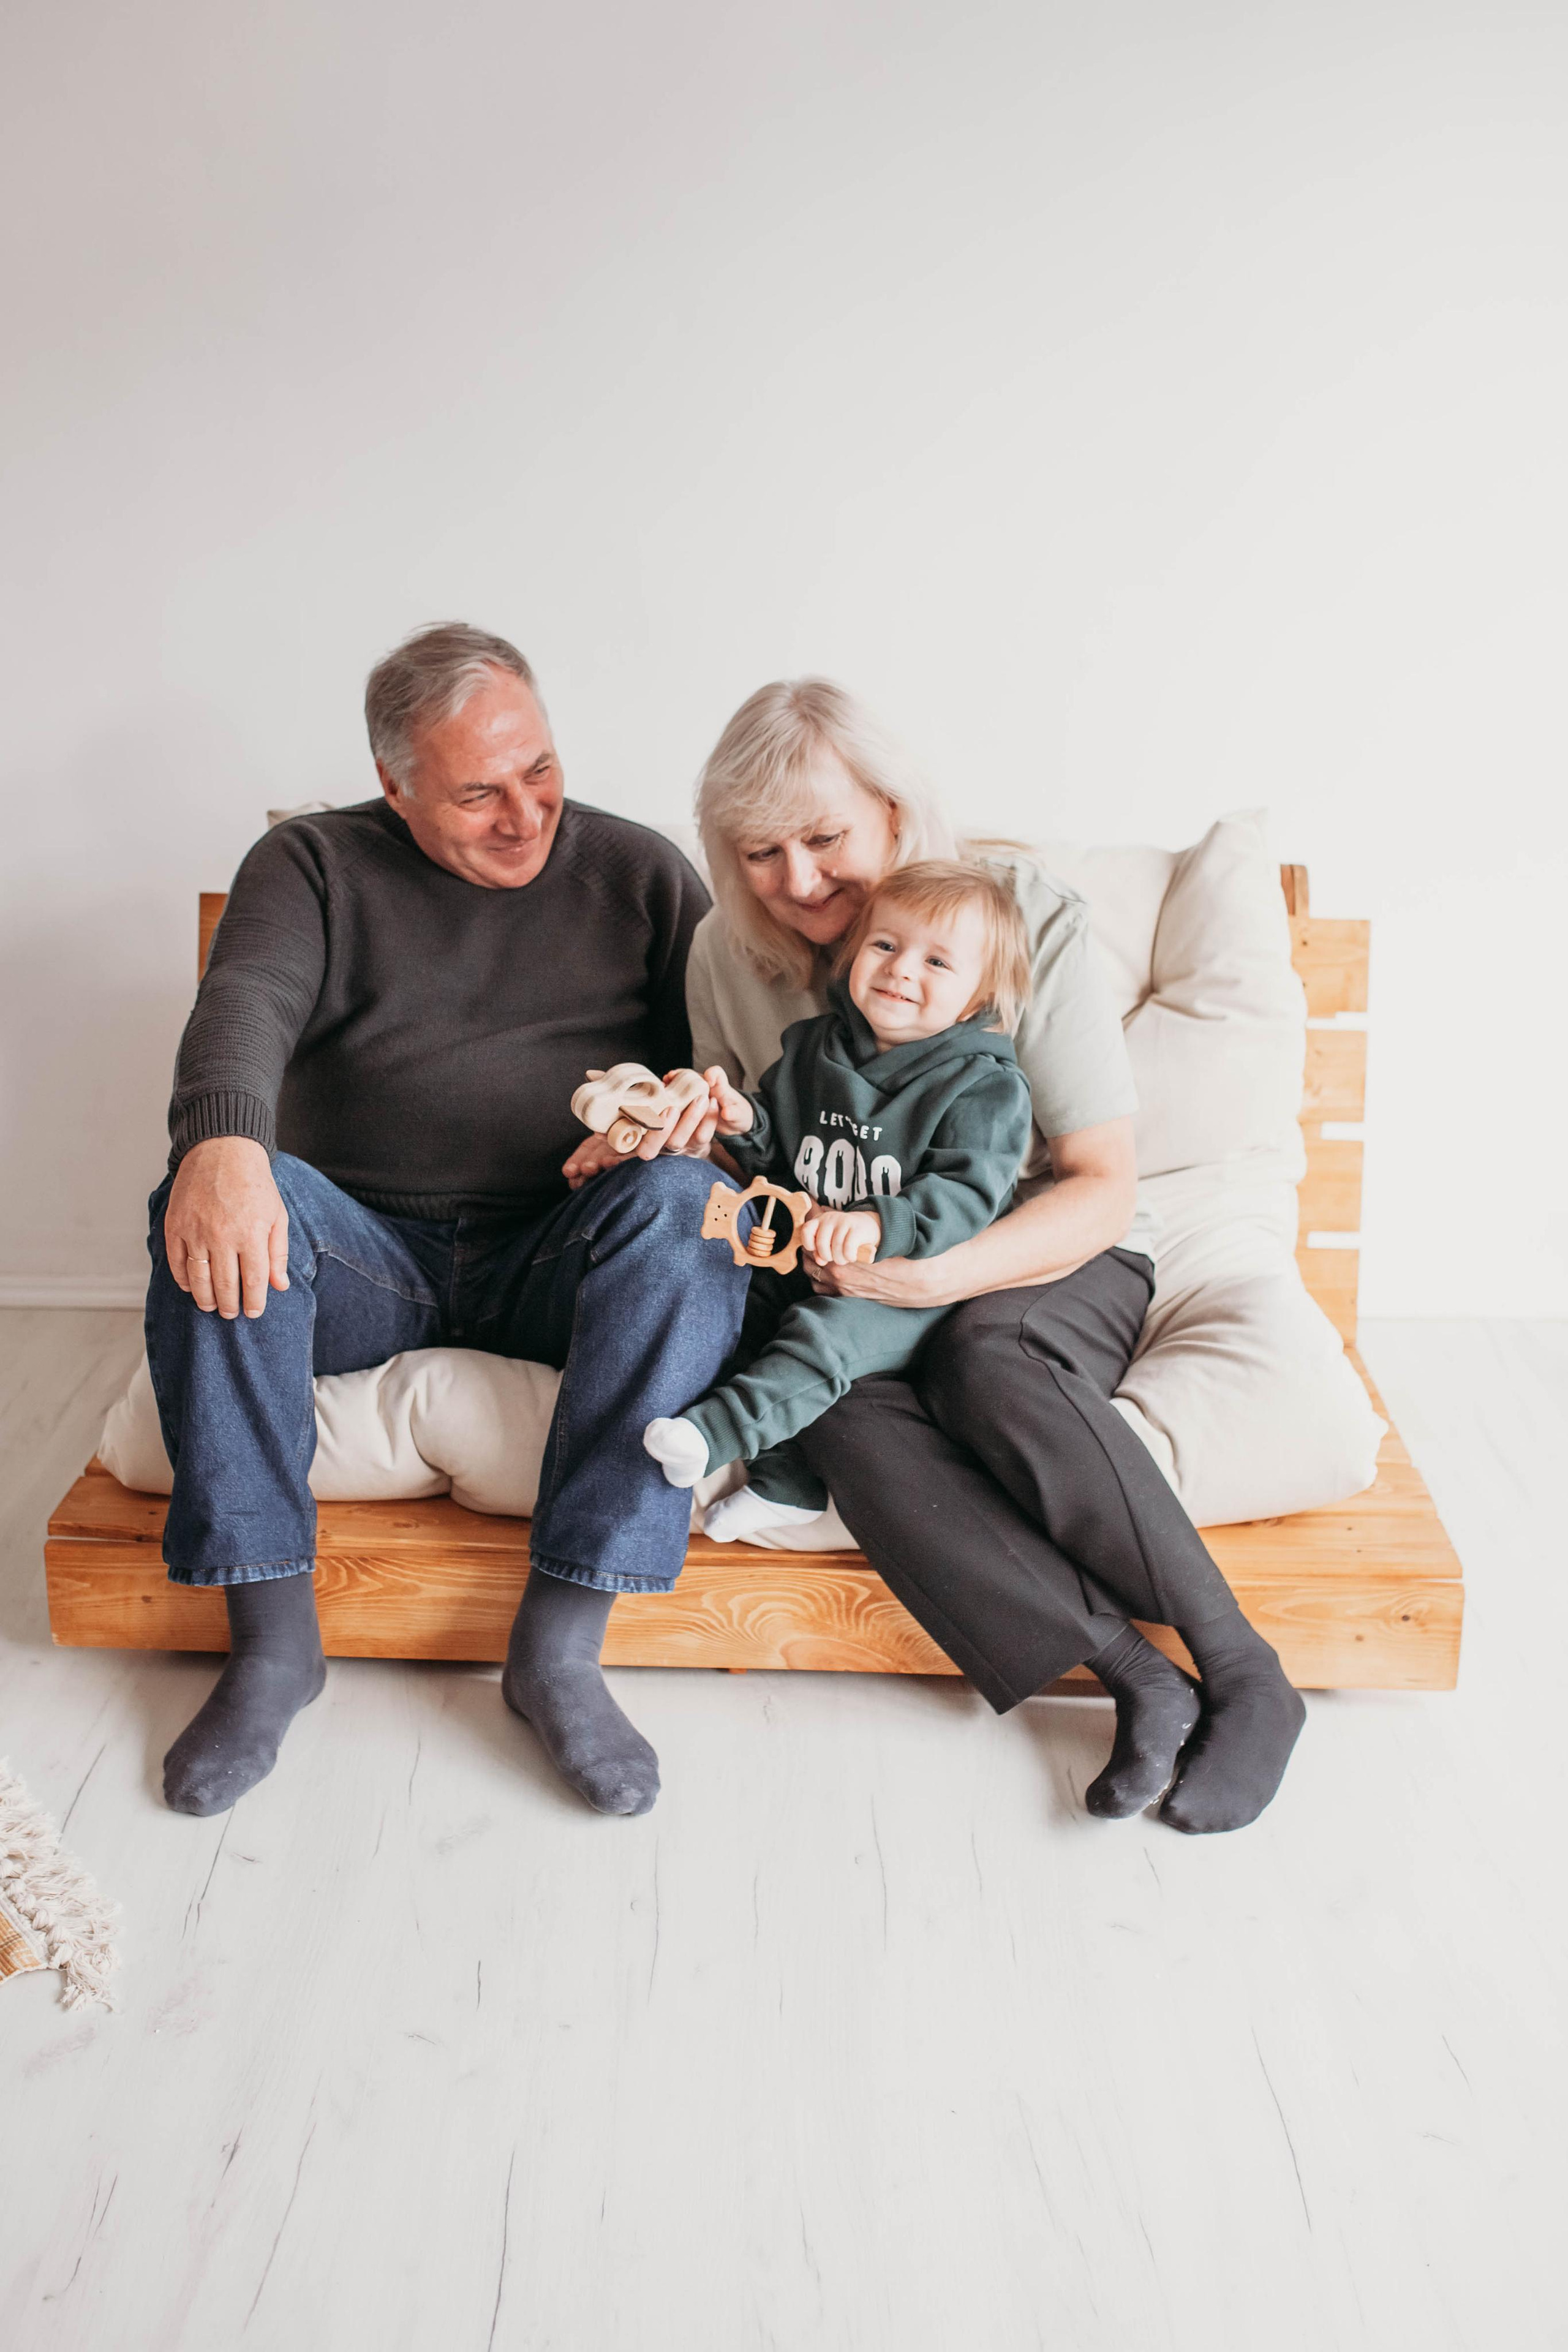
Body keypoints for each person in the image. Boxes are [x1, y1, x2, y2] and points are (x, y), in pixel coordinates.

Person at [673, 677, 1306, 1833]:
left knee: (983, 1357)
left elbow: (1099, 1180)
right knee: (834, 1412)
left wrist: (934, 1276)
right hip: (851, 1283)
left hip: (1045, 1254)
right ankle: (1136, 1675)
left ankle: (1247, 1671)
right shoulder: (726, 951)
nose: (799, 881)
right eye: (761, 852)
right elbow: (746, 1164)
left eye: (826, 839)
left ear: (894, 813)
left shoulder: (1014, 911)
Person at [148, 622, 744, 1820]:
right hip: (368, 1254)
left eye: (539, 770)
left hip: (560, 1253)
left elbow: (718, 1069)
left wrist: (688, 1118)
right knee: (207, 1191)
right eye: (478, 792)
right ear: (395, 787)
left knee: (694, 1209)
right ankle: (273, 1640)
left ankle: (560, 1648)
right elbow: (247, 1002)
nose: (524, 815)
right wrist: (219, 1142)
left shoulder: (640, 873)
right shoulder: (310, 863)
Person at [643, 860, 1034, 1542]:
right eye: (885, 945)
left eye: (937, 962)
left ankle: (712, 1436)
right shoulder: (812, 1050)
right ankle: (788, 1485)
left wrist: (874, 1225)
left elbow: (965, 1195)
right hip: (803, 1248)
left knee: (823, 1336)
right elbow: (780, 1155)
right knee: (733, 1298)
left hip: (913, 1285)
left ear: (975, 1000)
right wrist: (745, 1123)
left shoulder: (984, 1085)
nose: (900, 970)